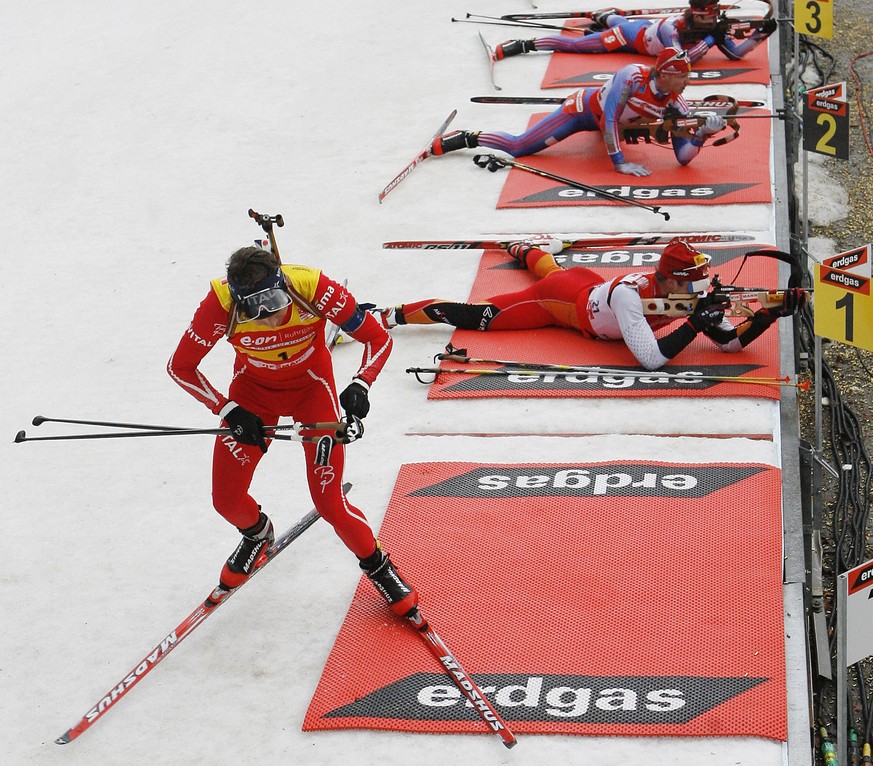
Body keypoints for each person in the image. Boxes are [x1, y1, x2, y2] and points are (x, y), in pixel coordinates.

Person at [167, 244, 418, 617]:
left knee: (329, 503)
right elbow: (179, 366)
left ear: (282, 283)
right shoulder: (219, 305)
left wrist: (361, 384)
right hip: (252, 398)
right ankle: (257, 534)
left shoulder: (312, 287)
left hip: (312, 391)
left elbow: (378, 338)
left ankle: (380, 567)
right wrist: (228, 409)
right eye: (254, 308)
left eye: (273, 300)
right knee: (227, 500)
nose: (268, 316)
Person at [367, 238, 805, 371]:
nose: (700, 288)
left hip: (589, 286)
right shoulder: (633, 298)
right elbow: (651, 361)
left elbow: (729, 344)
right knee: (476, 314)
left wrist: (770, 313)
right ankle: (386, 313)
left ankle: (524, 249)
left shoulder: (681, 292)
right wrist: (693, 324)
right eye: (692, 282)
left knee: (552, 265)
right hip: (559, 304)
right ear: (672, 278)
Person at [431, 47, 726, 177]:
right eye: (684, 77)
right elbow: (609, 118)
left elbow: (684, 159)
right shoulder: (630, 77)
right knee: (520, 147)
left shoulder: (677, 103)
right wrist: (619, 162)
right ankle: (470, 137)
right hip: (583, 111)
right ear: (667, 74)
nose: (689, 82)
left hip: (615, 127)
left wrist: (701, 134)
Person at [494, 0, 777, 64]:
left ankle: (605, 15)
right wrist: (710, 40)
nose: (717, 18)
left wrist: (760, 35)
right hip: (633, 39)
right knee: (581, 45)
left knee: (615, 20)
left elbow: (737, 54)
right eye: (713, 14)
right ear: (700, 14)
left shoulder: (713, 27)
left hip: (643, 31)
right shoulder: (673, 28)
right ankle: (525, 44)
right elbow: (680, 62)